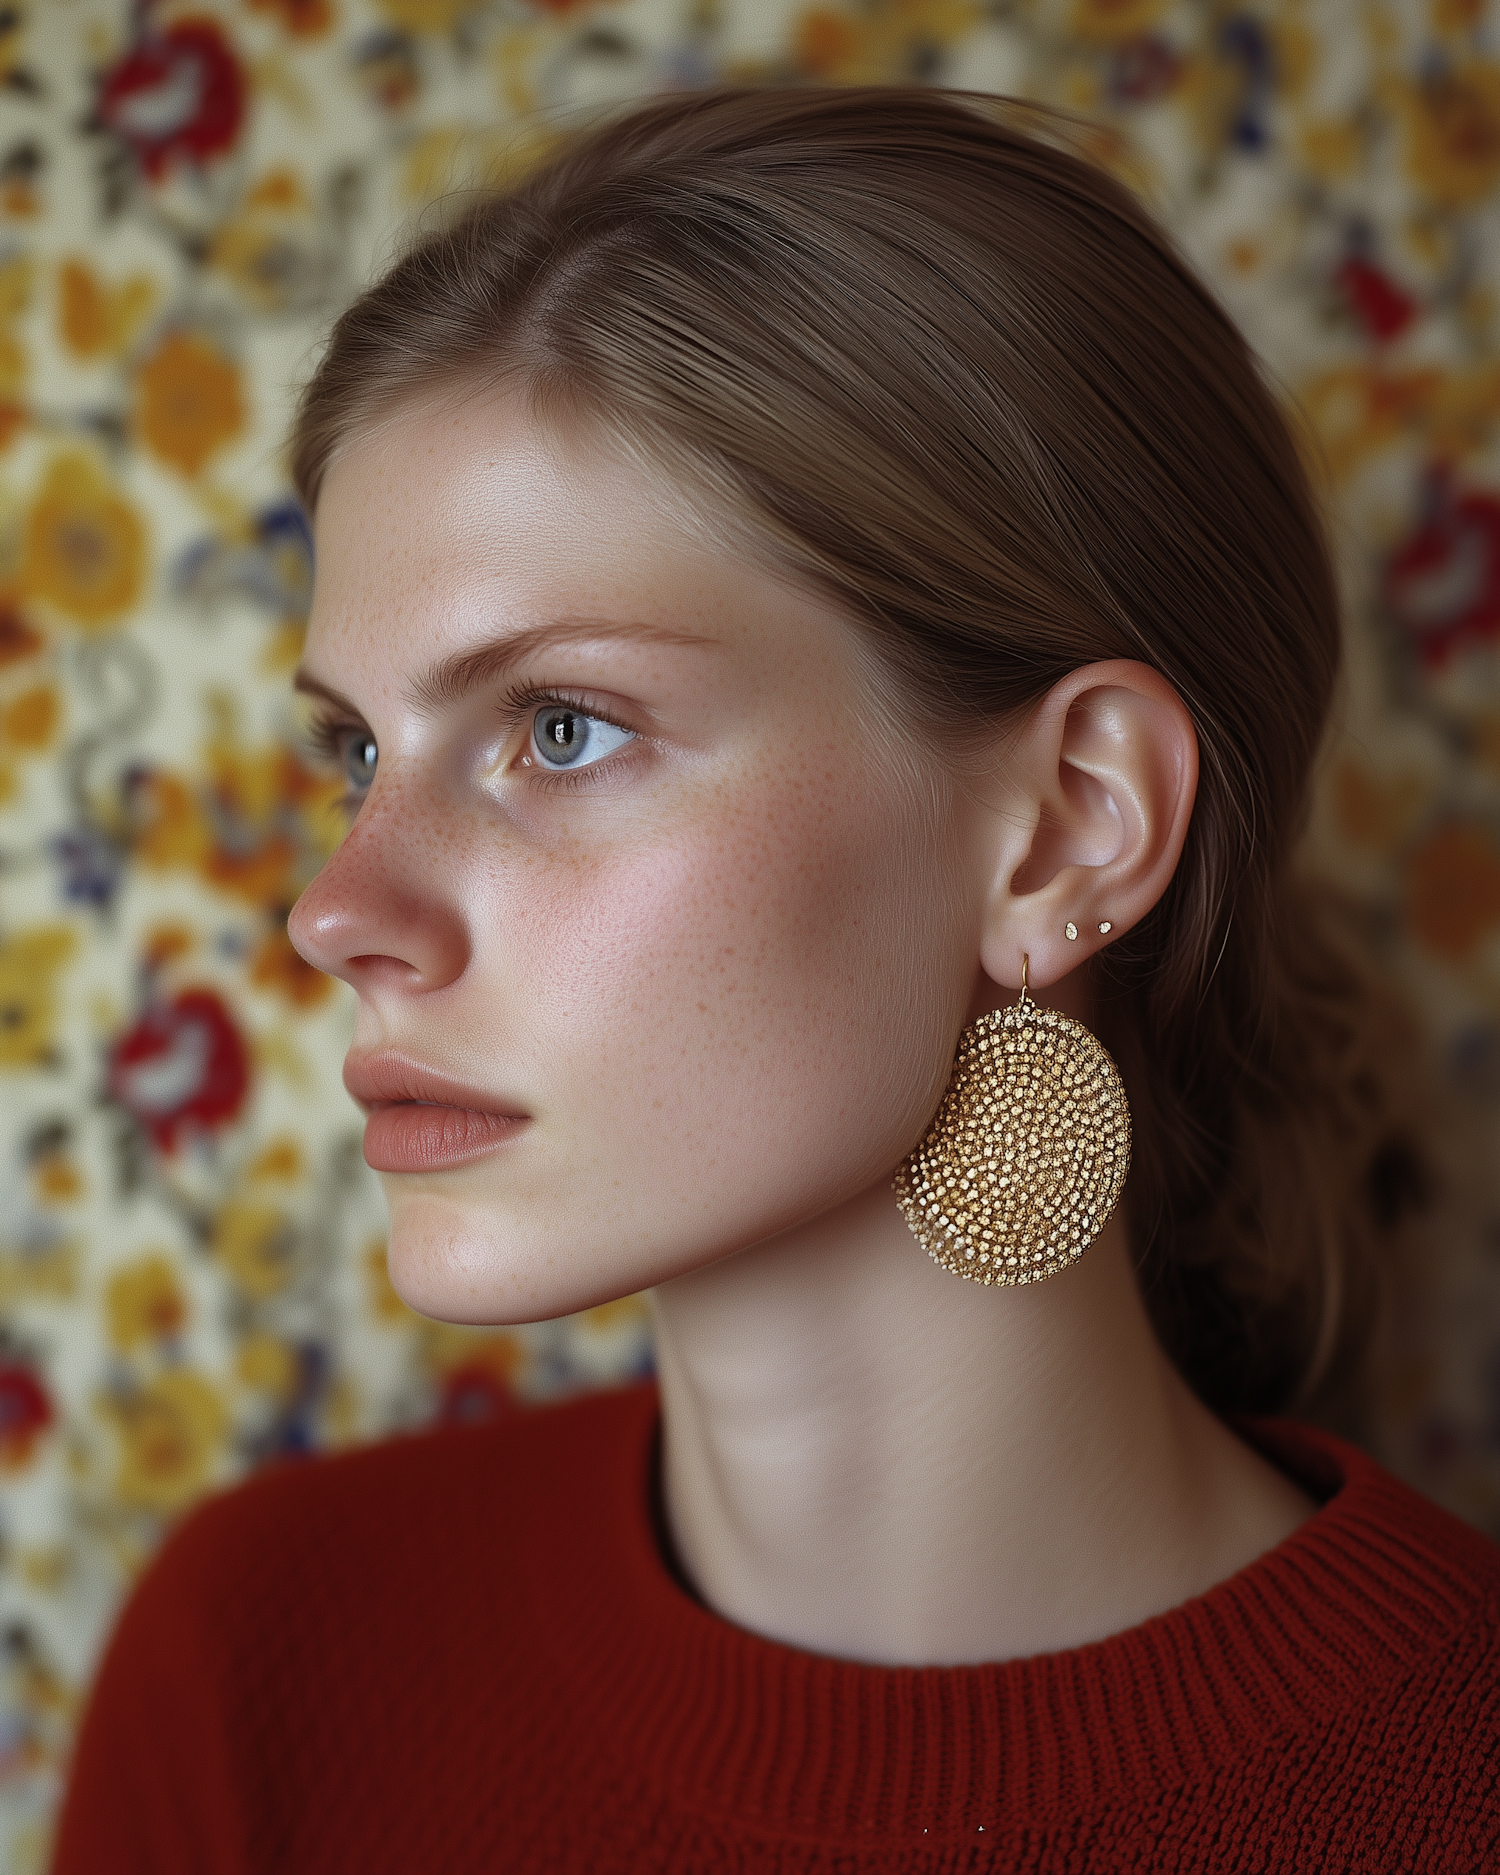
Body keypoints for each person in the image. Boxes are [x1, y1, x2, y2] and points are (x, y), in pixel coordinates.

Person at [53, 86, 1499, 1873]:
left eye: (559, 727)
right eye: (361, 751)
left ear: (1066, 827)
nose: (341, 909)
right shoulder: (263, 1659)